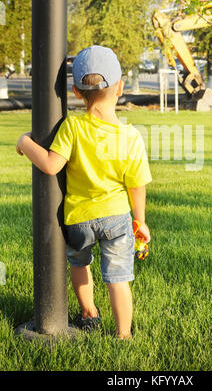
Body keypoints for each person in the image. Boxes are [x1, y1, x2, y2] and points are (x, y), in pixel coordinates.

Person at [16, 45, 152, 339]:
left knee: (79, 264)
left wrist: (26, 143)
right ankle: (123, 334)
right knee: (118, 278)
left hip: (78, 220)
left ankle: (89, 313)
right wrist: (140, 221)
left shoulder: (72, 127)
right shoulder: (130, 136)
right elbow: (136, 184)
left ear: (76, 92)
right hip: (116, 218)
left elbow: (51, 166)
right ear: (120, 87)